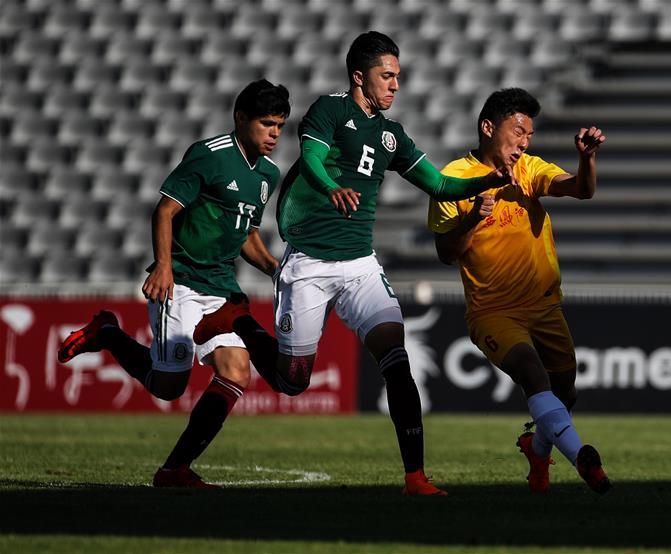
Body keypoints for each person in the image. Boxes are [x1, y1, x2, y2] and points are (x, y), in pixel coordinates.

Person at [192, 31, 511, 496]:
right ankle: (240, 320)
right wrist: (330, 188)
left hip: (360, 264)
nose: (396, 85)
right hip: (309, 264)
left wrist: (484, 182)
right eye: (388, 76)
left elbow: (440, 185)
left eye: (398, 77)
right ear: (360, 76)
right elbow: (313, 158)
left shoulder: (391, 134)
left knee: (396, 360)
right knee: (293, 382)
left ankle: (415, 477)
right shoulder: (330, 109)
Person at [57, 79, 290, 488]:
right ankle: (108, 333)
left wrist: (274, 266)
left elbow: (246, 234)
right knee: (169, 386)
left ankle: (174, 469)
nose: (274, 133)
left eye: (280, 126)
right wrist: (163, 266)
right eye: (266, 123)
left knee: (236, 372)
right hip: (180, 282)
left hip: (221, 288)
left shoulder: (267, 175)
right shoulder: (208, 156)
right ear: (240, 119)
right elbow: (164, 211)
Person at [427, 88, 612, 494]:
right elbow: (446, 253)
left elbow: (581, 189)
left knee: (565, 391)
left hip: (545, 307)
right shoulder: (453, 180)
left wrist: (586, 158)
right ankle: (583, 458)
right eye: (518, 132)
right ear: (488, 127)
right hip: (493, 311)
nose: (525, 142)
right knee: (532, 372)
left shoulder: (529, 169)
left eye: (529, 134)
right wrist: (475, 215)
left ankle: (537, 446)